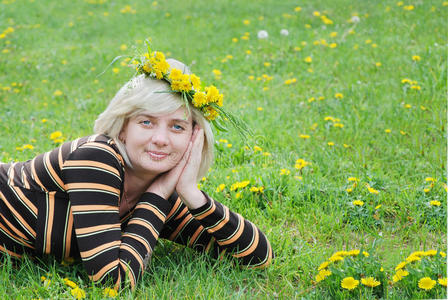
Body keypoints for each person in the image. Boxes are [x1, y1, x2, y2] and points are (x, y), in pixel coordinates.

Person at [0, 52, 273, 290]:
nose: (161, 139)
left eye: (177, 126)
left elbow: (258, 257)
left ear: (194, 137)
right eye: (146, 122)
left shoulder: (162, 193)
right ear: (123, 127)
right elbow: (112, 280)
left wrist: (191, 194)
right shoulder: (97, 158)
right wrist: (156, 198)